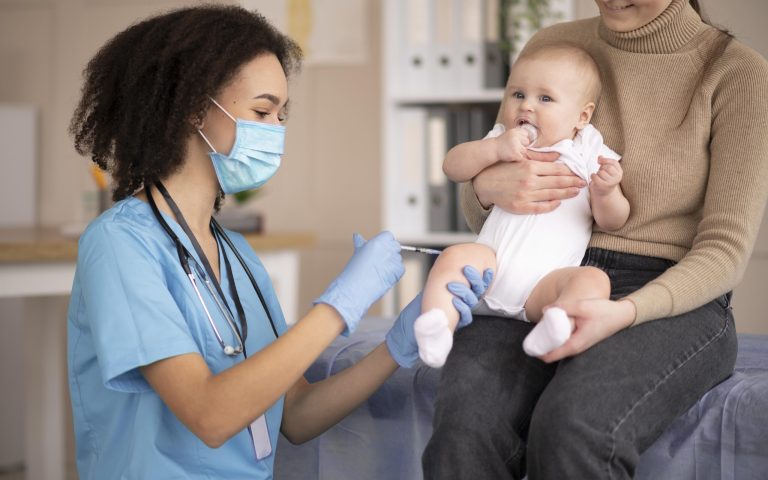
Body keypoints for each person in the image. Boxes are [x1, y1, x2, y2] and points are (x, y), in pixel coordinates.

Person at [65, 6, 490, 479]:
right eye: (261, 111)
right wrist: (340, 305)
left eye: (281, 115)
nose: (275, 132)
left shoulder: (237, 256)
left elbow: (297, 414)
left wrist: (397, 344)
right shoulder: (120, 245)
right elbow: (210, 415)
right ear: (193, 109)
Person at [422, 0, 768, 478]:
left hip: (666, 293)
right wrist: (483, 189)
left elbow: (724, 250)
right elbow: (489, 198)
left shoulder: (737, 74)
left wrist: (626, 311)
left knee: (573, 427)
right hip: (541, 274)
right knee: (464, 430)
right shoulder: (553, 48)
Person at [414, 43, 629, 368]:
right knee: (455, 256)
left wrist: (606, 191)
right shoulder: (502, 138)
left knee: (593, 280)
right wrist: (495, 150)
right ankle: (437, 326)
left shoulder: (588, 150)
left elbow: (614, 221)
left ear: (582, 116)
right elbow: (452, 166)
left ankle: (556, 323)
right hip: (487, 270)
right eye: (518, 95)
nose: (526, 106)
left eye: (545, 98)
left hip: (544, 286)